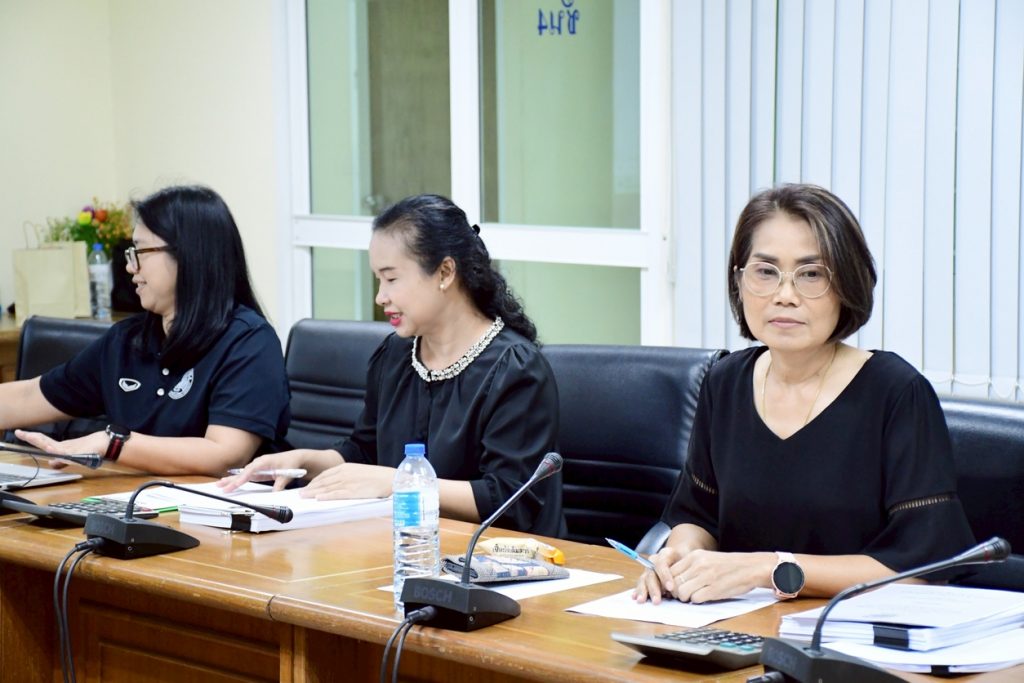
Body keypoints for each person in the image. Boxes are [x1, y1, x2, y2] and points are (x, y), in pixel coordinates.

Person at [635, 183, 975, 604]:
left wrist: (769, 569)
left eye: (811, 274)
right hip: (733, 623)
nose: (785, 296)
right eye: (765, 272)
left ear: (847, 283)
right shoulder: (725, 381)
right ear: (739, 281)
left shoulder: (897, 393)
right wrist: (681, 556)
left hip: (848, 630)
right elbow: (696, 515)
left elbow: (923, 569)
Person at [221, 194, 565, 537]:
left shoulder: (515, 369)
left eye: (391, 279)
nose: (380, 297)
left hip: (497, 555)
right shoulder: (396, 354)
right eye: (378, 279)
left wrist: (397, 482)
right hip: (405, 545)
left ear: (445, 272)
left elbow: (510, 499)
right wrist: (303, 461)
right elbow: (365, 451)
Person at [0, 185, 290, 476]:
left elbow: (225, 454)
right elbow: (29, 397)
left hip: (221, 504)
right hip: (133, 496)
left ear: (189, 255)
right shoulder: (127, 340)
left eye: (140, 251)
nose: (130, 267)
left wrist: (113, 444)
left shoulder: (249, 341)